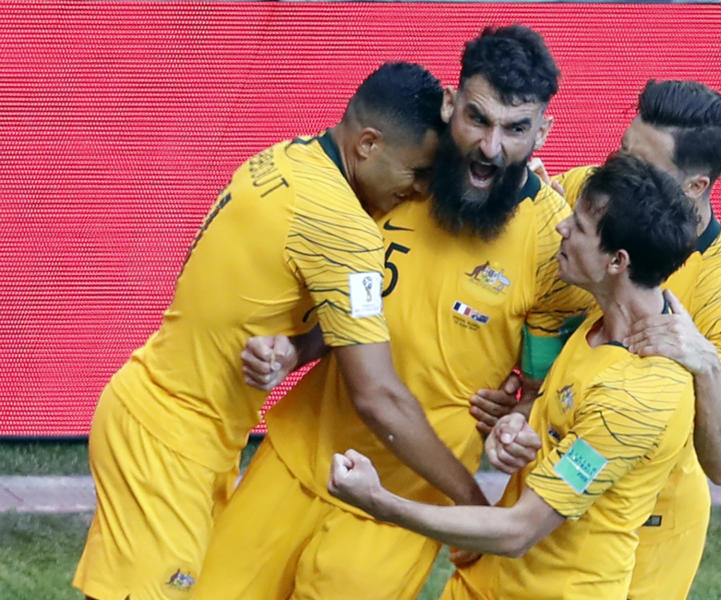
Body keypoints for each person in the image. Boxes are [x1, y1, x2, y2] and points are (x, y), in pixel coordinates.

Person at [193, 25, 594, 600]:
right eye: (478, 119)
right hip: (301, 450)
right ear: (450, 105)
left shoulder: (551, 244)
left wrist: (521, 405)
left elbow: (561, 359)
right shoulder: (396, 183)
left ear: (543, 131)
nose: (491, 147)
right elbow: (356, 309)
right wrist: (296, 348)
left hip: (404, 500)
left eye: (515, 129)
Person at [71, 62, 486, 600]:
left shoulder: (286, 157)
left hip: (165, 420)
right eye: (418, 174)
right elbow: (379, 396)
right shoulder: (342, 227)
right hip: (169, 444)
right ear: (368, 144)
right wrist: (469, 500)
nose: (422, 192)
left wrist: (295, 348)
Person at [329, 153, 700, 600]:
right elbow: (564, 415)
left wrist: (378, 501)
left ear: (617, 261)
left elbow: (519, 530)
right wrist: (518, 421)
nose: (561, 228)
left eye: (578, 226)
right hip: (486, 583)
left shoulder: (641, 395)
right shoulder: (601, 323)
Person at [491, 79, 721, 598]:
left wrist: (704, 364)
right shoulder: (585, 197)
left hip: (649, 534)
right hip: (544, 494)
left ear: (694, 188)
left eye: (641, 164)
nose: (616, 170)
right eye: (621, 150)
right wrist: (515, 400)